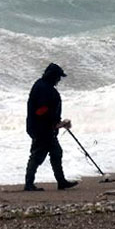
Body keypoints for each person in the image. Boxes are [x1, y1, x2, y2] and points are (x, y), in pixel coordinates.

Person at [24, 63, 78, 191]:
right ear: (52, 76)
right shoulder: (43, 88)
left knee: (55, 152)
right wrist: (56, 124)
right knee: (38, 155)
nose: (59, 80)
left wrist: (57, 124)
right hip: (41, 129)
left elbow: (45, 110)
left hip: (43, 128)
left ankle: (60, 182)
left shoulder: (43, 86)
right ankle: (29, 184)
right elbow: (41, 111)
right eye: (58, 77)